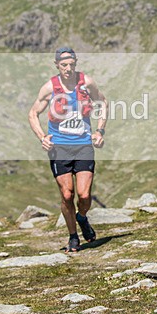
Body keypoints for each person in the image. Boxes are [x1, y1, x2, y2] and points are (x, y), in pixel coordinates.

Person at [28, 47, 107, 252]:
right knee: (66, 194)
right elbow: (33, 113)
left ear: (76, 63)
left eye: (71, 64)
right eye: (64, 65)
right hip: (59, 148)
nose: (68, 69)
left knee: (84, 195)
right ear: (57, 65)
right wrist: (42, 137)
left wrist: (100, 131)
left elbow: (103, 102)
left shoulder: (86, 82)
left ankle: (82, 217)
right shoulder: (49, 88)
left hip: (83, 145)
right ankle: (73, 237)